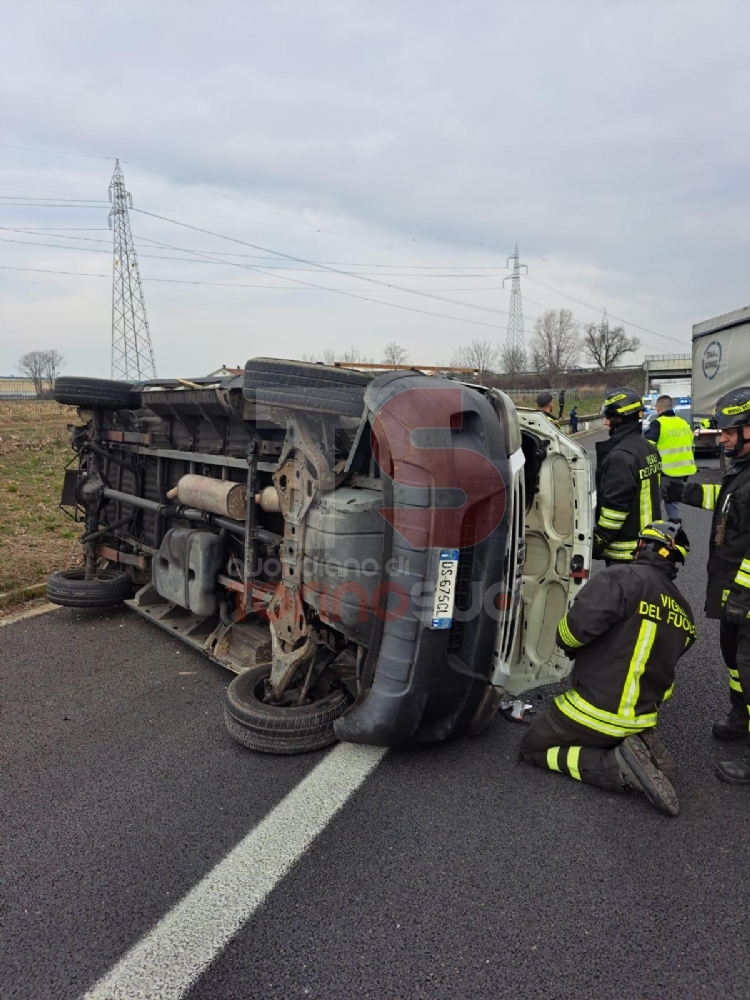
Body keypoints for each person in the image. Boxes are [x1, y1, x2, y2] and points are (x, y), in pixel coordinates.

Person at [520, 521, 695, 816]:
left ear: (642, 546)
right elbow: (666, 684)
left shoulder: (620, 578)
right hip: (642, 716)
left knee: (531, 748)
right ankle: (636, 743)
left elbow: (570, 634)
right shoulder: (685, 614)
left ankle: (616, 766)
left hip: (592, 712)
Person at [662, 386, 750, 783]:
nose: (724, 438)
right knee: (734, 660)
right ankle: (740, 714)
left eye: (732, 431)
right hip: (733, 591)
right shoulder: (742, 470)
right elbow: (730, 501)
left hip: (745, 595)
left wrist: (743, 597)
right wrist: (688, 492)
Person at [594, 387, 661, 563]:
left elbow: (615, 508)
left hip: (627, 553)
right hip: (649, 544)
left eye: (609, 417)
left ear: (620, 418)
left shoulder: (621, 456)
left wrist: (599, 539)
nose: (606, 423)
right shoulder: (648, 447)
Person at [644, 395, 696, 522]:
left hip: (666, 472)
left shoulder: (658, 423)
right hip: (684, 472)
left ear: (658, 409)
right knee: (671, 502)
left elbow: (647, 446)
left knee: (652, 505)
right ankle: (677, 531)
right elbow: (691, 444)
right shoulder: (683, 423)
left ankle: (653, 533)